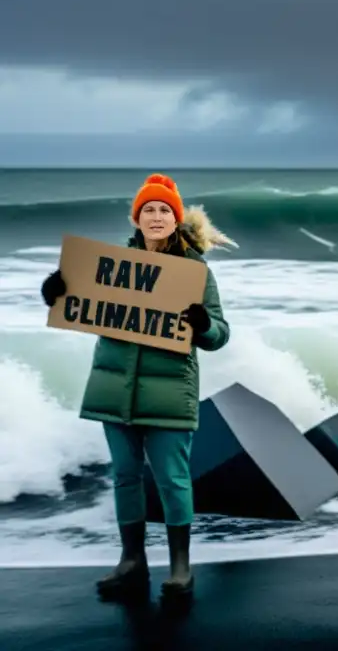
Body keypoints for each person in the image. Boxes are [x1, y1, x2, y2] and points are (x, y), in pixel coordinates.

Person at [40, 173, 233, 600]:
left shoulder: (195, 271)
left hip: (169, 391)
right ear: (137, 219)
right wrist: (54, 293)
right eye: (149, 210)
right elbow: (76, 304)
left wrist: (203, 325)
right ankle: (132, 561)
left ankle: (180, 567)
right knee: (125, 477)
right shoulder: (108, 267)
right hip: (114, 388)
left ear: (177, 219)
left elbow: (220, 333)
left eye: (165, 210)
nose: (157, 216)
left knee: (172, 479)